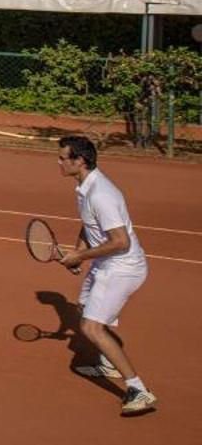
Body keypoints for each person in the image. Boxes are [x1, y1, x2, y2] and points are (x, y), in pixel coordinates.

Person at [55, 135, 154, 416]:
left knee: (90, 328)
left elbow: (121, 241)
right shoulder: (85, 187)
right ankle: (109, 364)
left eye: (63, 158)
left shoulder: (102, 194)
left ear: (80, 161)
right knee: (84, 308)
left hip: (121, 267)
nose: (58, 162)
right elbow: (89, 226)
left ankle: (138, 390)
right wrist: (78, 252)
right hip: (105, 263)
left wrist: (80, 257)